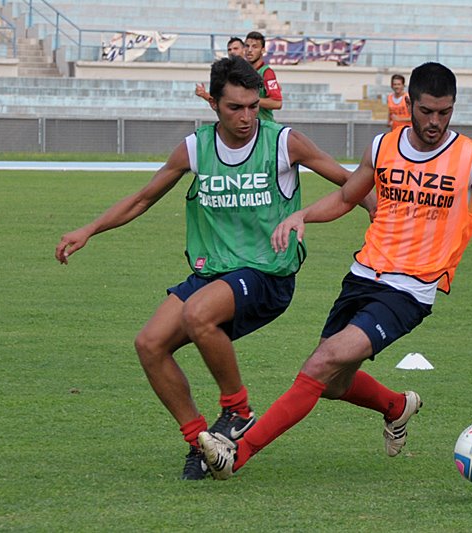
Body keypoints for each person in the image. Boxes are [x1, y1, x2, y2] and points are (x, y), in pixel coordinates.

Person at [197, 62, 472, 480]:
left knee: (321, 363)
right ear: (409, 103)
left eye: (445, 113)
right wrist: (303, 215)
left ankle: (237, 453)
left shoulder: (471, 159)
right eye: (427, 111)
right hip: (363, 275)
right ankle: (397, 406)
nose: (435, 122)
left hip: (411, 291)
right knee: (335, 384)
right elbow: (346, 197)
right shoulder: (382, 147)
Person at [55, 56, 372, 481]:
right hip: (213, 274)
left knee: (198, 313)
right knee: (149, 344)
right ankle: (202, 444)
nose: (246, 117)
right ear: (214, 105)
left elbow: (349, 181)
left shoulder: (284, 142)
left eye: (253, 106)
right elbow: (143, 198)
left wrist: (377, 211)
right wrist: (90, 229)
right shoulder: (195, 148)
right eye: (234, 108)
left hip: (266, 274)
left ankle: (237, 410)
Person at [244, 31, 282, 122]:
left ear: (263, 50)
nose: (249, 50)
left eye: (255, 47)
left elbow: (277, 103)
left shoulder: (267, 73)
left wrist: (251, 100)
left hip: (264, 128)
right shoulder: (243, 72)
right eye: (247, 46)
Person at [195, 37, 244, 103]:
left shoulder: (254, 69)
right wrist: (204, 94)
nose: (232, 52)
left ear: (244, 50)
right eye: (229, 50)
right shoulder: (223, 71)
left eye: (236, 49)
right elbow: (219, 100)